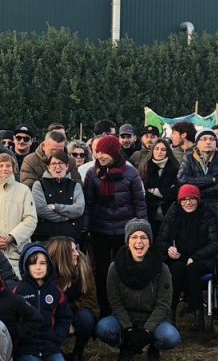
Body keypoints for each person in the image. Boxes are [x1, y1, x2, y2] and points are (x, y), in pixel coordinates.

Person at [96, 220, 180, 361]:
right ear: (128, 241)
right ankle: (126, 346)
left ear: (149, 242)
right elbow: (115, 303)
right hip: (126, 318)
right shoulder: (115, 268)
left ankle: (154, 346)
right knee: (104, 328)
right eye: (134, 237)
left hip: (153, 319)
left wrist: (147, 330)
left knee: (171, 337)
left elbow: (163, 304)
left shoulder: (162, 268)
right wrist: (128, 328)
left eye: (143, 237)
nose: (139, 242)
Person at [82, 134, 147, 317]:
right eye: (98, 152)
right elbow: (88, 203)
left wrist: (142, 230)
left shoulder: (130, 173)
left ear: (114, 153)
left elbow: (139, 204)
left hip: (124, 231)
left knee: (124, 270)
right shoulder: (92, 173)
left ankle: (127, 310)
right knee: (101, 274)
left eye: (105, 153)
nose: (100, 156)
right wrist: (85, 228)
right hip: (100, 230)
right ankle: (105, 311)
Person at [157, 185, 218, 330]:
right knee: (177, 270)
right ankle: (170, 313)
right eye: (184, 199)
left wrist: (196, 256)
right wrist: (168, 249)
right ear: (179, 201)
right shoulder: (173, 214)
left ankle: (199, 316)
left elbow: (215, 243)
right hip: (177, 258)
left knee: (192, 269)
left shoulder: (207, 214)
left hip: (201, 259)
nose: (188, 202)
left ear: (198, 200)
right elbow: (161, 239)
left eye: (192, 199)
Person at [13, 244, 72, 361]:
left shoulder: (55, 291)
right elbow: (10, 318)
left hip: (50, 345)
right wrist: (20, 337)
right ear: (26, 266)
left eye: (42, 263)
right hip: (27, 347)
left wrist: (57, 336)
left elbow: (65, 317)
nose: (38, 267)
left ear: (48, 265)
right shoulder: (18, 291)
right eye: (33, 263)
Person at [45, 237, 99, 361]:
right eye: (72, 251)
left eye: (76, 249)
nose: (76, 254)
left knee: (85, 318)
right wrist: (63, 320)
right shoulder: (45, 273)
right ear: (61, 255)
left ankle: (78, 351)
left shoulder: (83, 267)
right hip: (53, 313)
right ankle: (54, 351)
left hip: (76, 310)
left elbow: (91, 300)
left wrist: (68, 315)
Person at [31, 150, 85, 242]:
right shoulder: (39, 185)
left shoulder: (75, 185)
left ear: (67, 166)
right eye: (53, 163)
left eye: (61, 163)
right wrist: (66, 217)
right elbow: (40, 210)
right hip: (45, 238)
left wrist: (55, 207)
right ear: (48, 167)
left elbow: (79, 209)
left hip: (71, 238)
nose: (58, 166)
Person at [177, 129, 218, 210]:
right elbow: (182, 179)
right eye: (204, 139)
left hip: (217, 203)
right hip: (193, 203)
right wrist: (211, 179)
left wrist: (199, 192)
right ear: (197, 143)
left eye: (212, 139)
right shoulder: (189, 158)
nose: (208, 142)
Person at [138, 138, 179, 240]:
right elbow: (142, 191)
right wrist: (164, 191)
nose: (159, 152)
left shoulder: (175, 168)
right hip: (149, 212)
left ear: (168, 152)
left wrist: (154, 191)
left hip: (169, 212)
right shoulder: (144, 167)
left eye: (163, 149)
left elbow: (175, 192)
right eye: (156, 149)